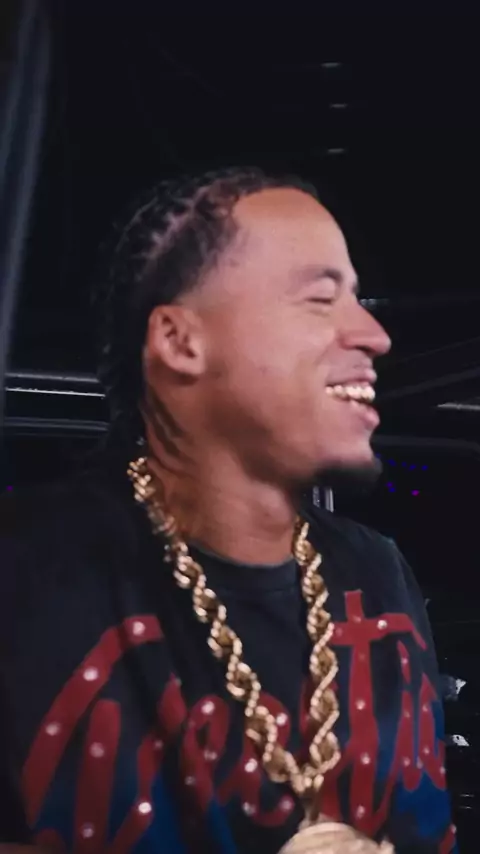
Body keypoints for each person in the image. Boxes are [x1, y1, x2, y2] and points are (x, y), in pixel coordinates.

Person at [0, 167, 456, 854]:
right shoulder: (26, 567)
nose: (373, 334)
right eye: (320, 299)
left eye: (356, 299)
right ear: (181, 342)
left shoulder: (376, 570)